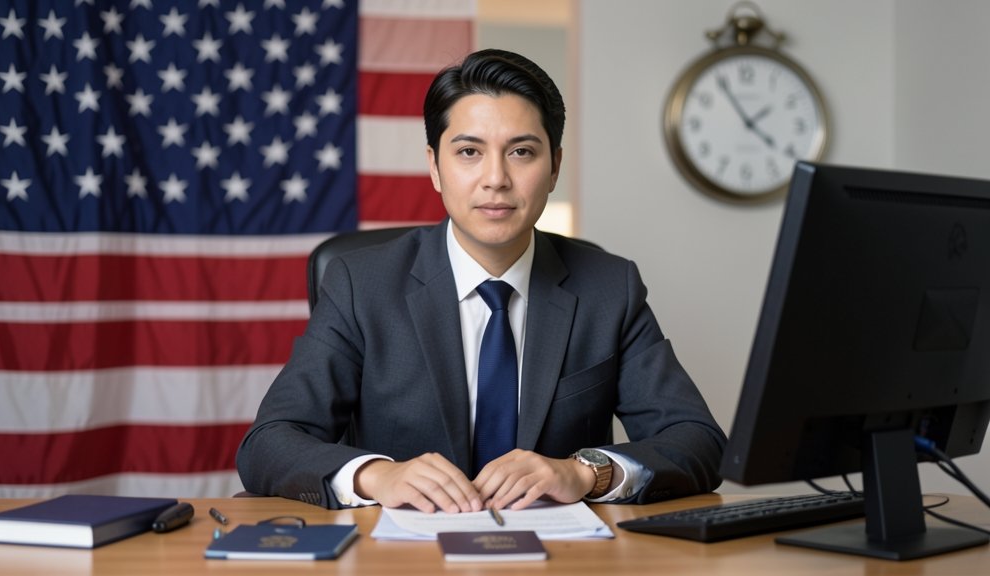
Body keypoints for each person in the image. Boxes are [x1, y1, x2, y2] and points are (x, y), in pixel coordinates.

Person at [236, 49, 726, 513]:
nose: (496, 179)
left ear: (554, 166)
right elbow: (268, 444)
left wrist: (584, 472)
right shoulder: (360, 285)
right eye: (469, 151)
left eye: (521, 152)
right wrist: (377, 477)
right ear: (434, 166)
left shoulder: (608, 287)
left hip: (560, 556)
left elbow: (698, 441)